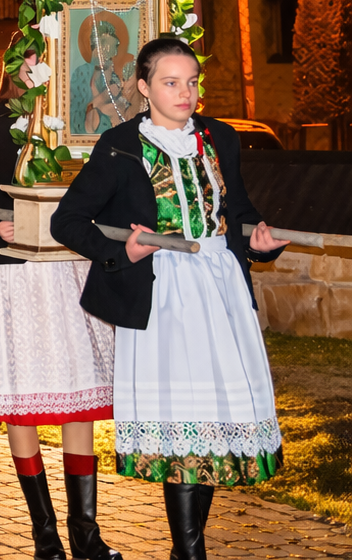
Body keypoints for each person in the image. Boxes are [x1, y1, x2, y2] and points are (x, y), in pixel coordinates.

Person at [51, 38, 288, 560]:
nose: (186, 93)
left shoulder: (220, 137)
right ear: (144, 87)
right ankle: (190, 553)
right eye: (171, 82)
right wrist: (122, 252)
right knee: (184, 424)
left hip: (222, 291)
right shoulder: (120, 145)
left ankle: (186, 552)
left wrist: (257, 240)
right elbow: (66, 221)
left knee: (212, 423)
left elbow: (237, 213)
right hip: (164, 294)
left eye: (192, 82)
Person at [0, 48, 120, 560]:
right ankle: (45, 534)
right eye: (31, 61)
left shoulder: (81, 128)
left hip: (70, 268)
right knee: (23, 398)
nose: (39, 72)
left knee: (79, 393)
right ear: (14, 66)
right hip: (15, 274)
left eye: (49, 61)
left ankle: (85, 533)